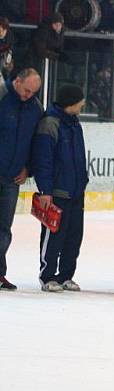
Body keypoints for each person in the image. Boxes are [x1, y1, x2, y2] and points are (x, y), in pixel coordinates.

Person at [32, 84, 88, 292]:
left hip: (76, 191)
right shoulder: (49, 124)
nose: (83, 104)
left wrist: (82, 182)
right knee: (53, 235)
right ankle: (47, 276)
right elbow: (43, 161)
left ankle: (66, 275)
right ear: (70, 102)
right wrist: (45, 190)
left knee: (74, 237)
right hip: (57, 192)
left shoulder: (75, 124)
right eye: (80, 101)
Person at [0, 68, 42, 291]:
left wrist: (28, 168)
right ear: (16, 81)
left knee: (4, 228)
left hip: (12, 177)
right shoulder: (2, 96)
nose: (28, 95)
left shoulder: (35, 107)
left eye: (33, 92)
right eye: (26, 90)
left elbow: (36, 143)